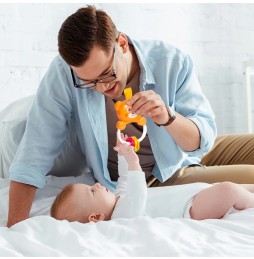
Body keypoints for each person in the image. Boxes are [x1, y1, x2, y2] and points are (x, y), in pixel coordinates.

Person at [7, 5, 254, 228]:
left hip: (182, 151)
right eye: (89, 83)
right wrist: (14, 231)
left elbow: (203, 140)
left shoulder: (171, 61)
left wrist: (167, 117)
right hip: (159, 176)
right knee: (241, 185)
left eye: (106, 74)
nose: (102, 88)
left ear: (122, 43)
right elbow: (33, 155)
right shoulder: (65, 73)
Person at [50, 137, 254, 223]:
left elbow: (124, 179)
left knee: (238, 188)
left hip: (194, 194)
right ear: (96, 217)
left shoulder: (119, 200)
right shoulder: (122, 218)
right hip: (190, 209)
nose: (96, 185)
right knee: (229, 191)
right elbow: (138, 192)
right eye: (92, 192)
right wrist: (132, 160)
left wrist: (122, 153)